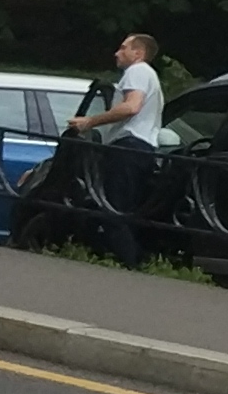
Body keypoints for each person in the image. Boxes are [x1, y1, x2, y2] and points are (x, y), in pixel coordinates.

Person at [57, 31, 167, 264]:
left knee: (112, 210)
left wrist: (90, 122)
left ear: (139, 53)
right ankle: (134, 260)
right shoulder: (150, 76)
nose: (117, 53)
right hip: (142, 149)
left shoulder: (137, 71)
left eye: (123, 48)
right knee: (126, 210)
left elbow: (131, 107)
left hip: (128, 147)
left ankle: (129, 263)